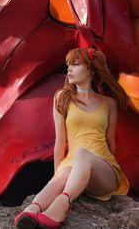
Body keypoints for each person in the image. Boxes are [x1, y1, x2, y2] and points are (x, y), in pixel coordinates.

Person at [14, 47, 130, 229]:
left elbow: (110, 143)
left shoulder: (110, 103)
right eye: (68, 65)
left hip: (103, 172)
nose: (69, 69)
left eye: (75, 64)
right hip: (73, 167)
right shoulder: (62, 97)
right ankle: (33, 209)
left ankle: (62, 202)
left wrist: (106, 167)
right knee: (66, 172)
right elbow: (60, 142)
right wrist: (56, 177)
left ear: (91, 70)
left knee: (82, 155)